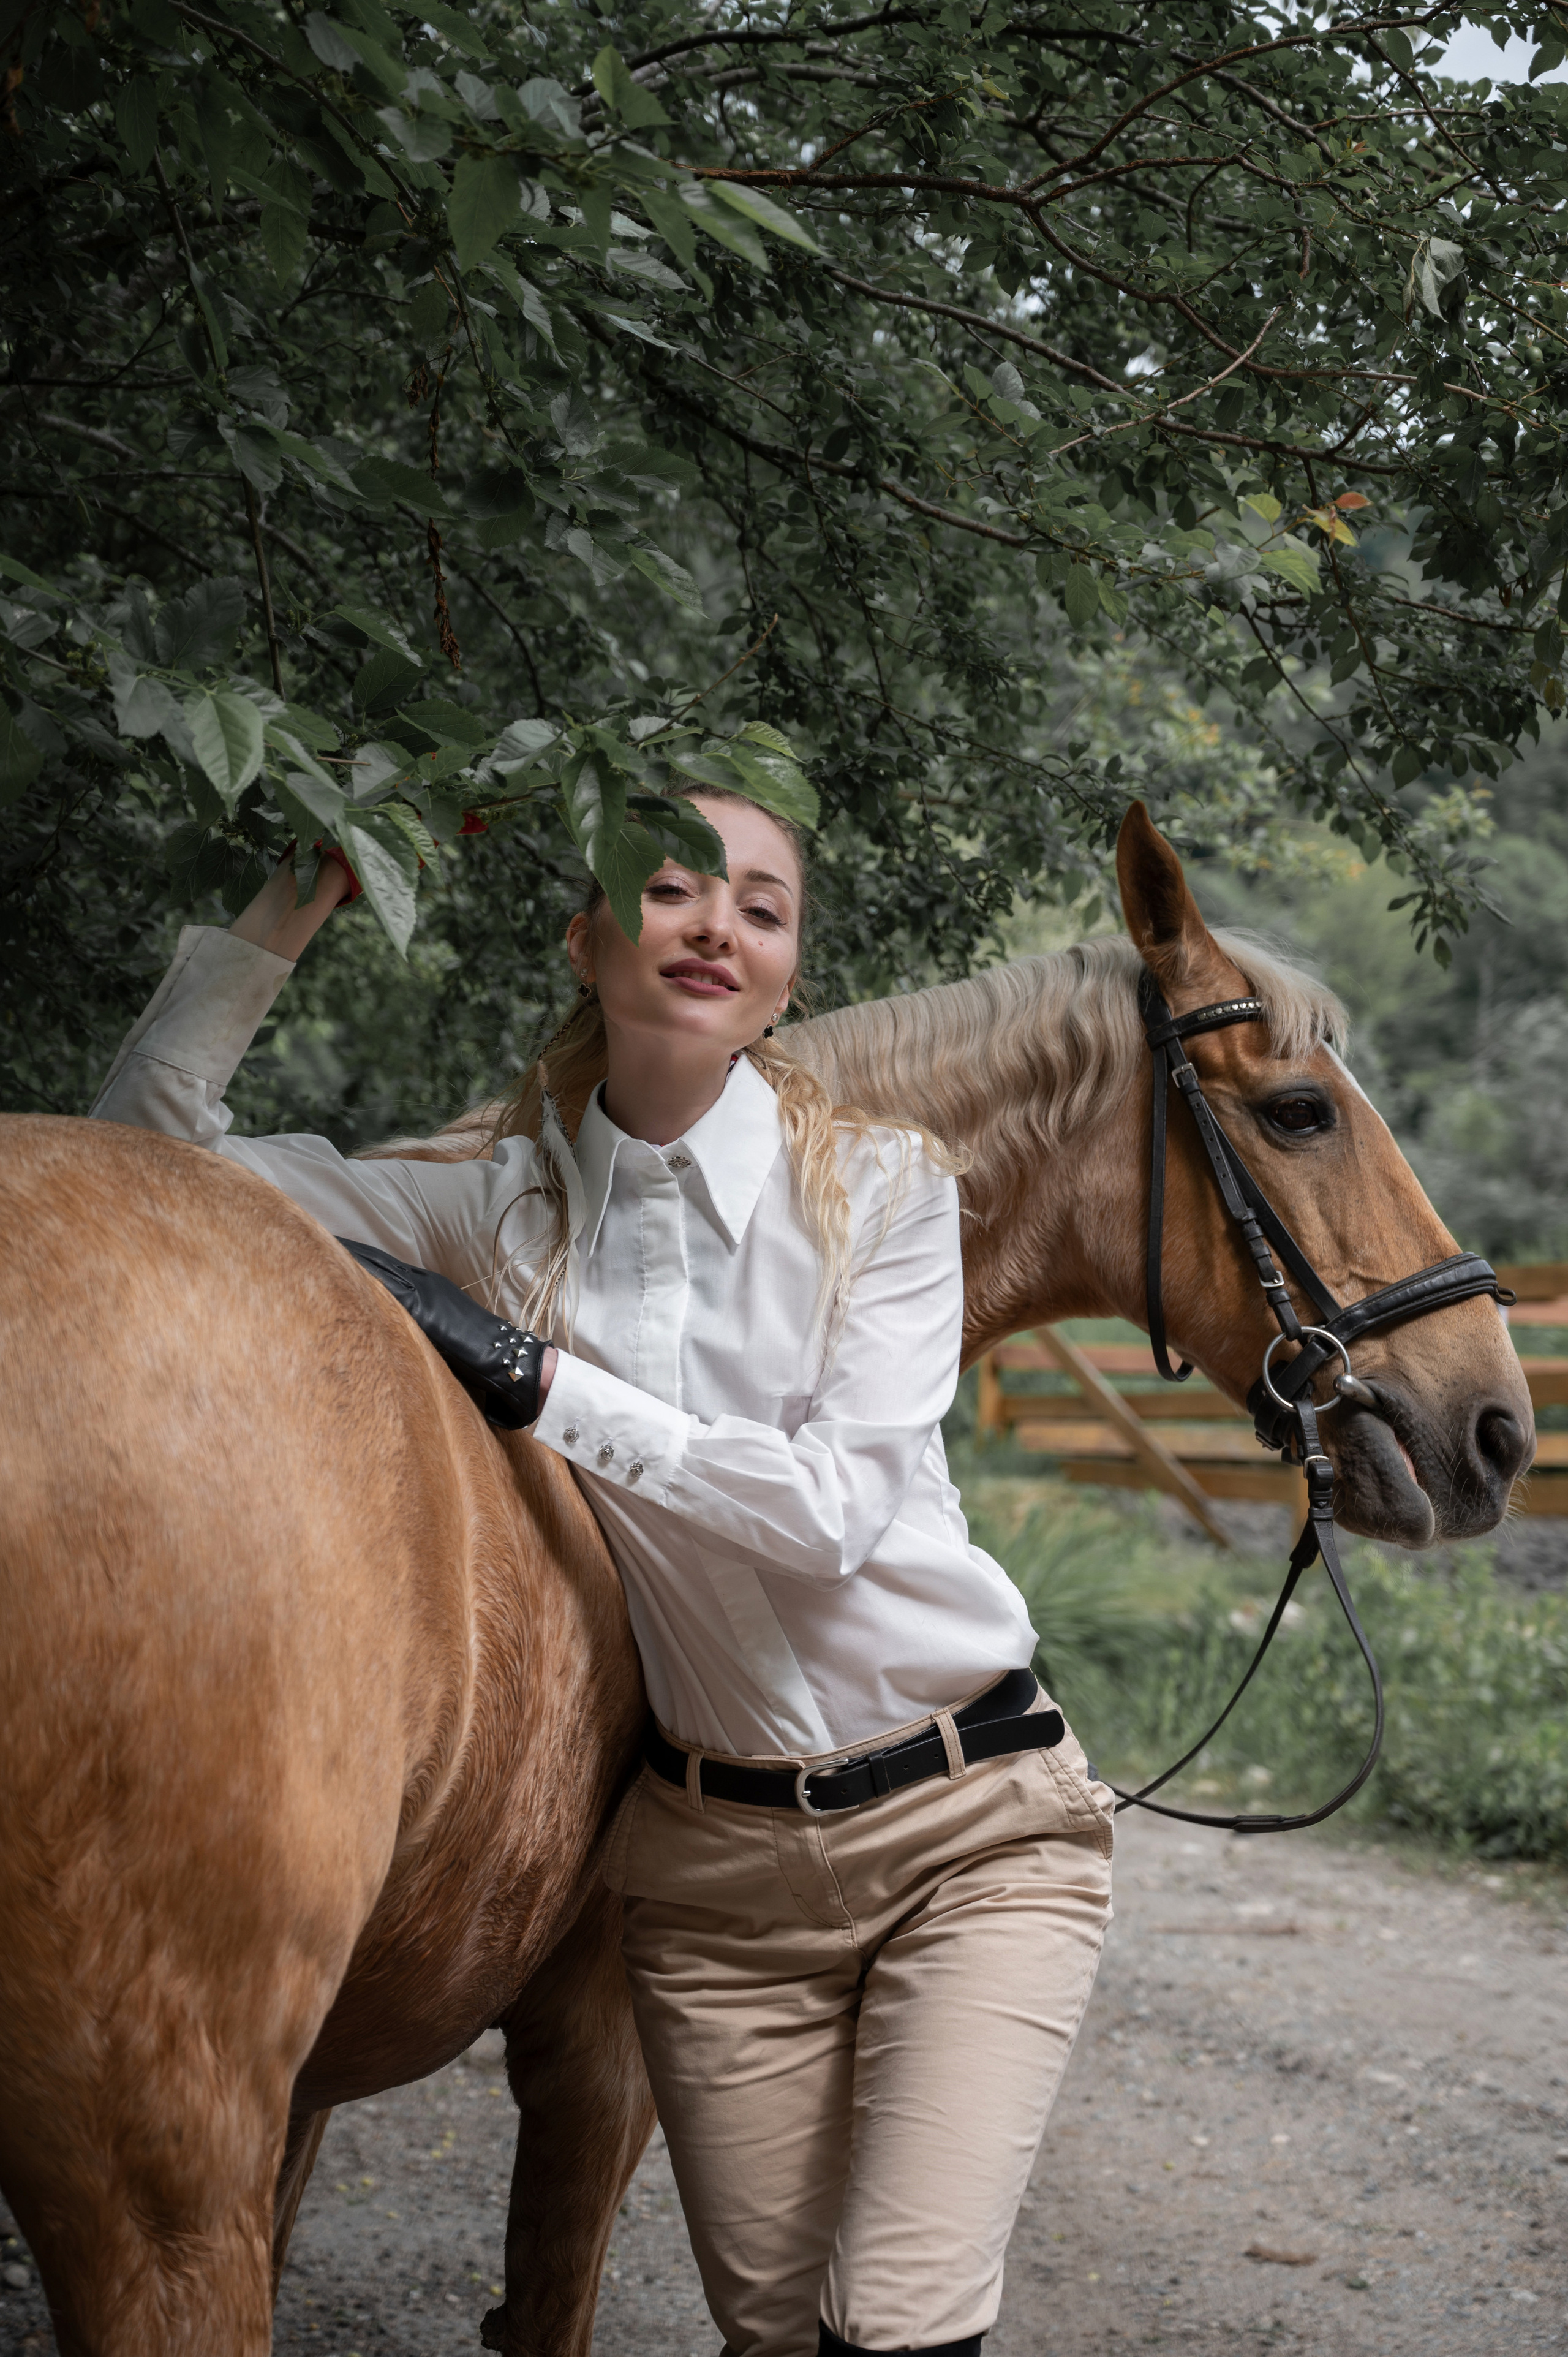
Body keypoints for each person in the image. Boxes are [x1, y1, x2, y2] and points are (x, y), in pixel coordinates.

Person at [91, 787, 1114, 2357]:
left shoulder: (886, 1193)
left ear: (784, 972)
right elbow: (146, 1153)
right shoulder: (493, 1212)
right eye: (671, 889)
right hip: (714, 1884)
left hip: (968, 1824)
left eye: (761, 907)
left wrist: (530, 1377)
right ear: (587, 940)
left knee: (896, 2328)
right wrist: (298, 895)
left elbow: (834, 1511)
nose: (718, 923)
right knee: (773, 2338)